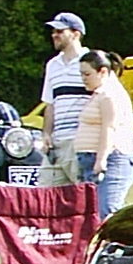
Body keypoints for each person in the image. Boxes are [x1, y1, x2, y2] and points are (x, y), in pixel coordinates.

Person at [73, 50, 133, 220]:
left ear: (102, 72)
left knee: (106, 211)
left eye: (87, 74)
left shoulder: (111, 94)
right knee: (92, 215)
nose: (83, 78)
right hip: (92, 159)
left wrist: (101, 160)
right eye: (81, 74)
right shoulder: (100, 93)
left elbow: (110, 128)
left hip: (112, 160)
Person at [39, 11, 91, 187]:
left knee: (83, 194)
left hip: (80, 142)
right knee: (45, 196)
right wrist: (46, 134)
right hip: (56, 144)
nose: (54, 35)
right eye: (53, 31)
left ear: (76, 34)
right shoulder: (52, 65)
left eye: (60, 31)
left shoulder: (92, 61)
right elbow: (50, 104)